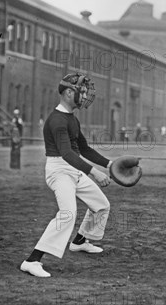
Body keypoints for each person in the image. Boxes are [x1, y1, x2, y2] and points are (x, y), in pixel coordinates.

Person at [20, 73, 114, 278]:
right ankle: (32, 261)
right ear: (69, 92)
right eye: (82, 91)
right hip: (59, 171)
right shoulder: (56, 121)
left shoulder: (72, 119)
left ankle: (80, 241)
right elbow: (67, 153)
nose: (86, 95)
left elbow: (84, 149)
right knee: (68, 213)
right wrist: (95, 172)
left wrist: (110, 164)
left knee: (101, 205)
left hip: (73, 167)